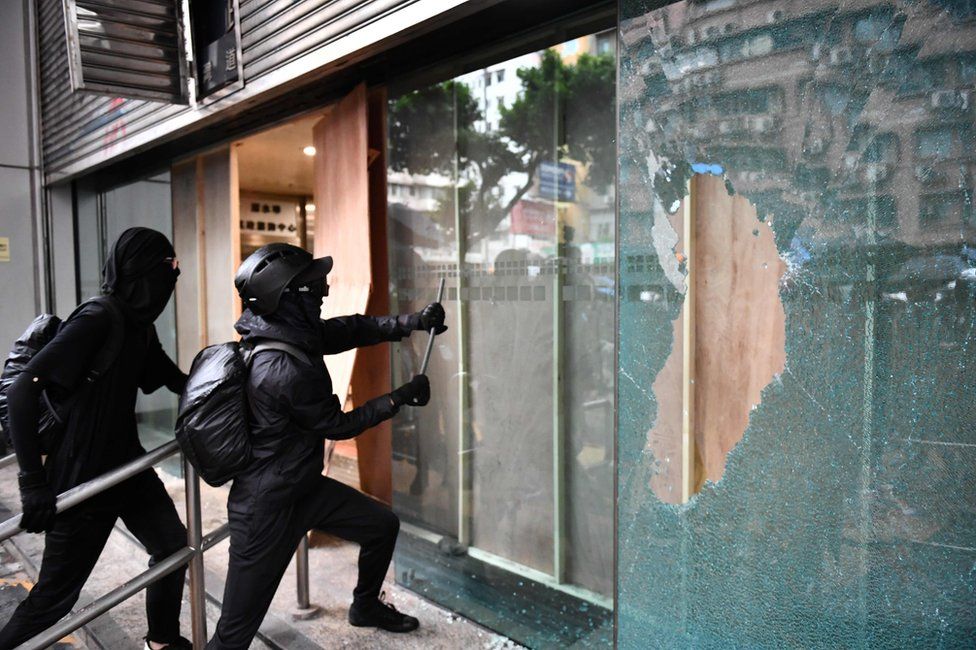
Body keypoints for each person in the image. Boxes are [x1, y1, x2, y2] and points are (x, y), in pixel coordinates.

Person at [207, 243, 445, 649]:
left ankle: (365, 606)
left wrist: (413, 321)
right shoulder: (283, 368)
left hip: (302, 487)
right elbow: (339, 425)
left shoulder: (288, 331)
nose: (324, 291)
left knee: (381, 526)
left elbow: (349, 329)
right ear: (287, 297)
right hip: (266, 510)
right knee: (233, 635)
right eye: (313, 285)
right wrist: (399, 398)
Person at [0, 228, 191, 650]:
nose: (174, 277)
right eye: (169, 267)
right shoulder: (98, 318)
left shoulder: (139, 324)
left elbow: (169, 377)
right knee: (53, 600)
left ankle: (162, 641)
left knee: (173, 547)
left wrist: (221, 382)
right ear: (141, 270)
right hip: (82, 479)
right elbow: (22, 390)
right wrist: (32, 482)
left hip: (127, 469)